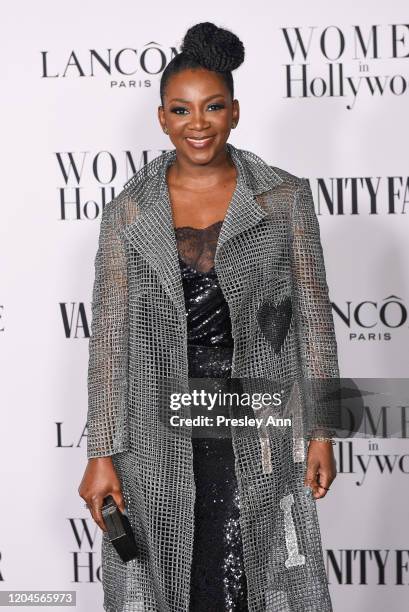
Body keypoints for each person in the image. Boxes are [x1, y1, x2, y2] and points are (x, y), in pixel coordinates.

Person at [78, 21, 340, 612]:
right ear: (162, 118)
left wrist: (323, 431)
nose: (198, 123)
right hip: (155, 431)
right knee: (174, 574)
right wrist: (100, 453)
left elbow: (315, 325)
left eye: (213, 107)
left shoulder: (285, 198)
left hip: (258, 419)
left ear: (236, 111)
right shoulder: (128, 213)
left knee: (257, 576)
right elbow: (111, 344)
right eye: (182, 109)